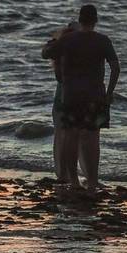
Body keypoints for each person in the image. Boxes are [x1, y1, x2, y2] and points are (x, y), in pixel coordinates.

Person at [42, 4, 120, 191]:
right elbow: (115, 68)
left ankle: (74, 181)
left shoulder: (68, 40)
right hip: (95, 95)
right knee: (92, 139)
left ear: (80, 19)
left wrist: (54, 41)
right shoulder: (103, 40)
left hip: (71, 96)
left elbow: (45, 54)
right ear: (95, 20)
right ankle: (92, 181)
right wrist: (109, 93)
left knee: (70, 136)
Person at [48, 21, 79, 181]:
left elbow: (46, 52)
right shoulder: (75, 51)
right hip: (71, 96)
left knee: (61, 135)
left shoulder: (60, 52)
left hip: (60, 97)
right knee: (73, 136)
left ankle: (62, 173)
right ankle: (70, 174)